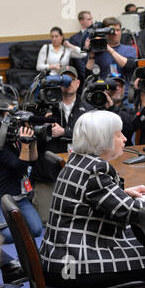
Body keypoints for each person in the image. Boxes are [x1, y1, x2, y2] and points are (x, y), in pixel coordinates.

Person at [38, 110, 145, 288]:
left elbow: (90, 196)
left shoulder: (78, 160)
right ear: (103, 140)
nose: (125, 138)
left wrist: (122, 193)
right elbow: (133, 213)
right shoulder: (96, 169)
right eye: (119, 135)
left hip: (58, 256)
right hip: (74, 266)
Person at [30, 66, 94, 224]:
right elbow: (33, 134)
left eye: (71, 79)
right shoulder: (47, 106)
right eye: (63, 80)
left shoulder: (88, 110)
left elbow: (92, 137)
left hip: (78, 175)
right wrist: (43, 123)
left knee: (78, 220)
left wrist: (64, 132)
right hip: (48, 175)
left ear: (78, 83)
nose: (68, 83)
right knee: (47, 220)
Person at [0, 100, 43, 243]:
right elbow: (20, 168)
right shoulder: (1, 145)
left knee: (36, 230)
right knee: (8, 236)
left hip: (21, 196)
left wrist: (33, 140)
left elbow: (33, 160)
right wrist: (25, 145)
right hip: (3, 198)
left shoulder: (16, 136)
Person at [85, 17, 137, 100]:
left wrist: (109, 49)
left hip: (125, 95)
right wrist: (91, 54)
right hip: (104, 94)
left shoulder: (129, 49)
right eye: (112, 31)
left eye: (118, 30)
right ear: (104, 32)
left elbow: (129, 66)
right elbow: (88, 74)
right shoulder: (98, 51)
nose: (115, 33)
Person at [103, 75, 135, 146]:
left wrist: (112, 108)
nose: (117, 88)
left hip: (125, 151)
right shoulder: (99, 109)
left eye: (120, 86)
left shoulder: (129, 111)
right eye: (113, 86)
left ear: (124, 89)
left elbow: (130, 127)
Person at [69, 11, 94, 88]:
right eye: (89, 19)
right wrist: (88, 75)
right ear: (81, 21)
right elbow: (78, 62)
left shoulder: (97, 35)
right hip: (84, 77)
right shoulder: (75, 39)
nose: (92, 21)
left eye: (91, 19)